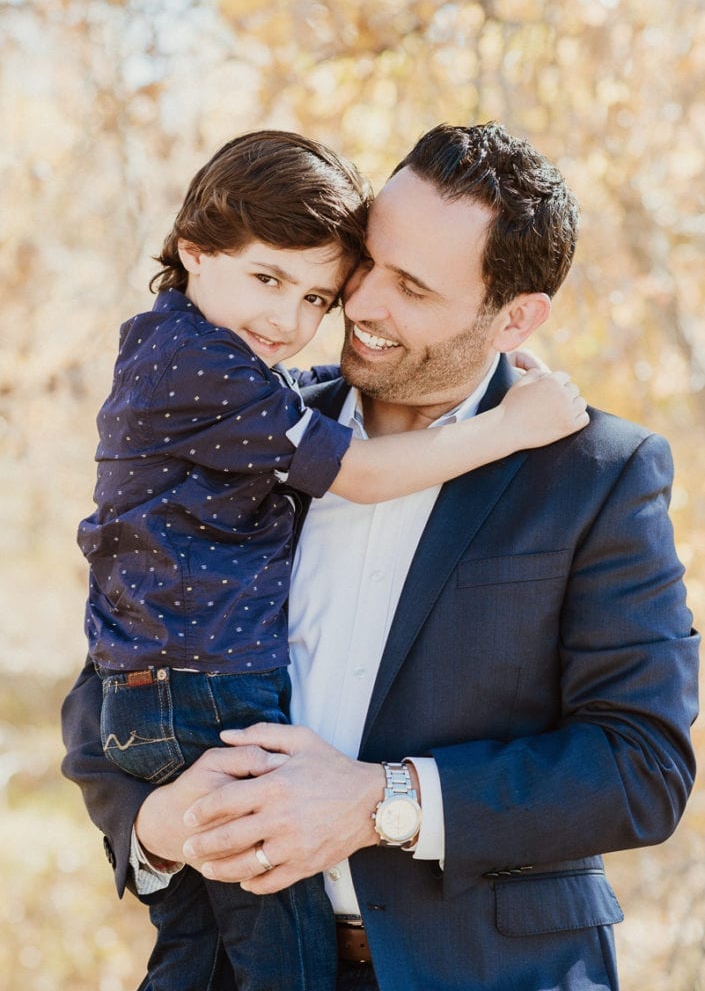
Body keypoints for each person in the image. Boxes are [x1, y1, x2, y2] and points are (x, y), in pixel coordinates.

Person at [62, 123, 699, 991]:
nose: (358, 304)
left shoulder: (594, 473)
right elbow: (119, 667)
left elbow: (639, 769)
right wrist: (158, 827)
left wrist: (378, 802)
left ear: (514, 317)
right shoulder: (258, 421)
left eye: (411, 286)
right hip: (223, 966)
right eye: (367, 262)